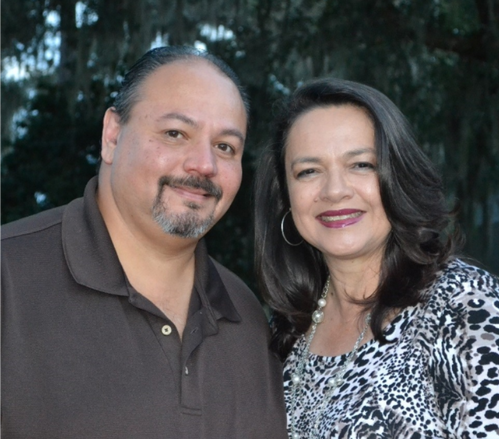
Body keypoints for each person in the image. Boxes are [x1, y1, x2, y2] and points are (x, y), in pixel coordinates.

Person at [0, 46, 287, 439]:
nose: (204, 165)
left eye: (225, 147)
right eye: (175, 133)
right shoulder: (9, 279)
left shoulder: (246, 317)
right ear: (112, 136)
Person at [254, 77, 499, 438]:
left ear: (398, 176)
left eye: (361, 165)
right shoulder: (286, 329)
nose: (335, 191)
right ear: (285, 197)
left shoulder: (464, 304)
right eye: (308, 171)